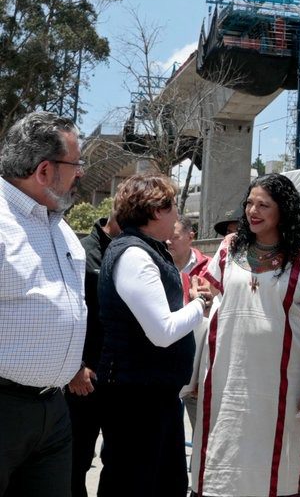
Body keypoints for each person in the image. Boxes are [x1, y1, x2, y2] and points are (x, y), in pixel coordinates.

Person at [190, 173, 300, 497]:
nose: (253, 211)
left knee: (274, 470)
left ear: (283, 210)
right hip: (225, 378)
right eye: (249, 203)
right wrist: (198, 295)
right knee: (220, 456)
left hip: (281, 386)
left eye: (264, 204)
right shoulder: (228, 248)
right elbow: (206, 293)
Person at [96, 173, 212, 497]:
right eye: (173, 206)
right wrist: (199, 304)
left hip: (152, 393)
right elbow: (162, 331)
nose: (177, 216)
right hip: (136, 398)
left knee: (165, 483)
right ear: (155, 211)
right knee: (135, 483)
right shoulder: (135, 256)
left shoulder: (146, 251)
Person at [0, 111, 87, 496]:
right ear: (44, 170)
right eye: (76, 163)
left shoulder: (60, 227)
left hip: (53, 412)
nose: (80, 173)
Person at [67, 209, 120, 497]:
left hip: (124, 378)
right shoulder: (81, 252)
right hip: (85, 379)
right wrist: (77, 364)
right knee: (77, 459)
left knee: (119, 461)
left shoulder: (141, 252)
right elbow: (68, 311)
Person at [166, 215, 211, 429]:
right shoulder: (155, 266)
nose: (168, 241)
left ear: (190, 237)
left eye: (174, 237)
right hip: (165, 373)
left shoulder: (211, 270)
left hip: (199, 370)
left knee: (204, 435)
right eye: (166, 236)